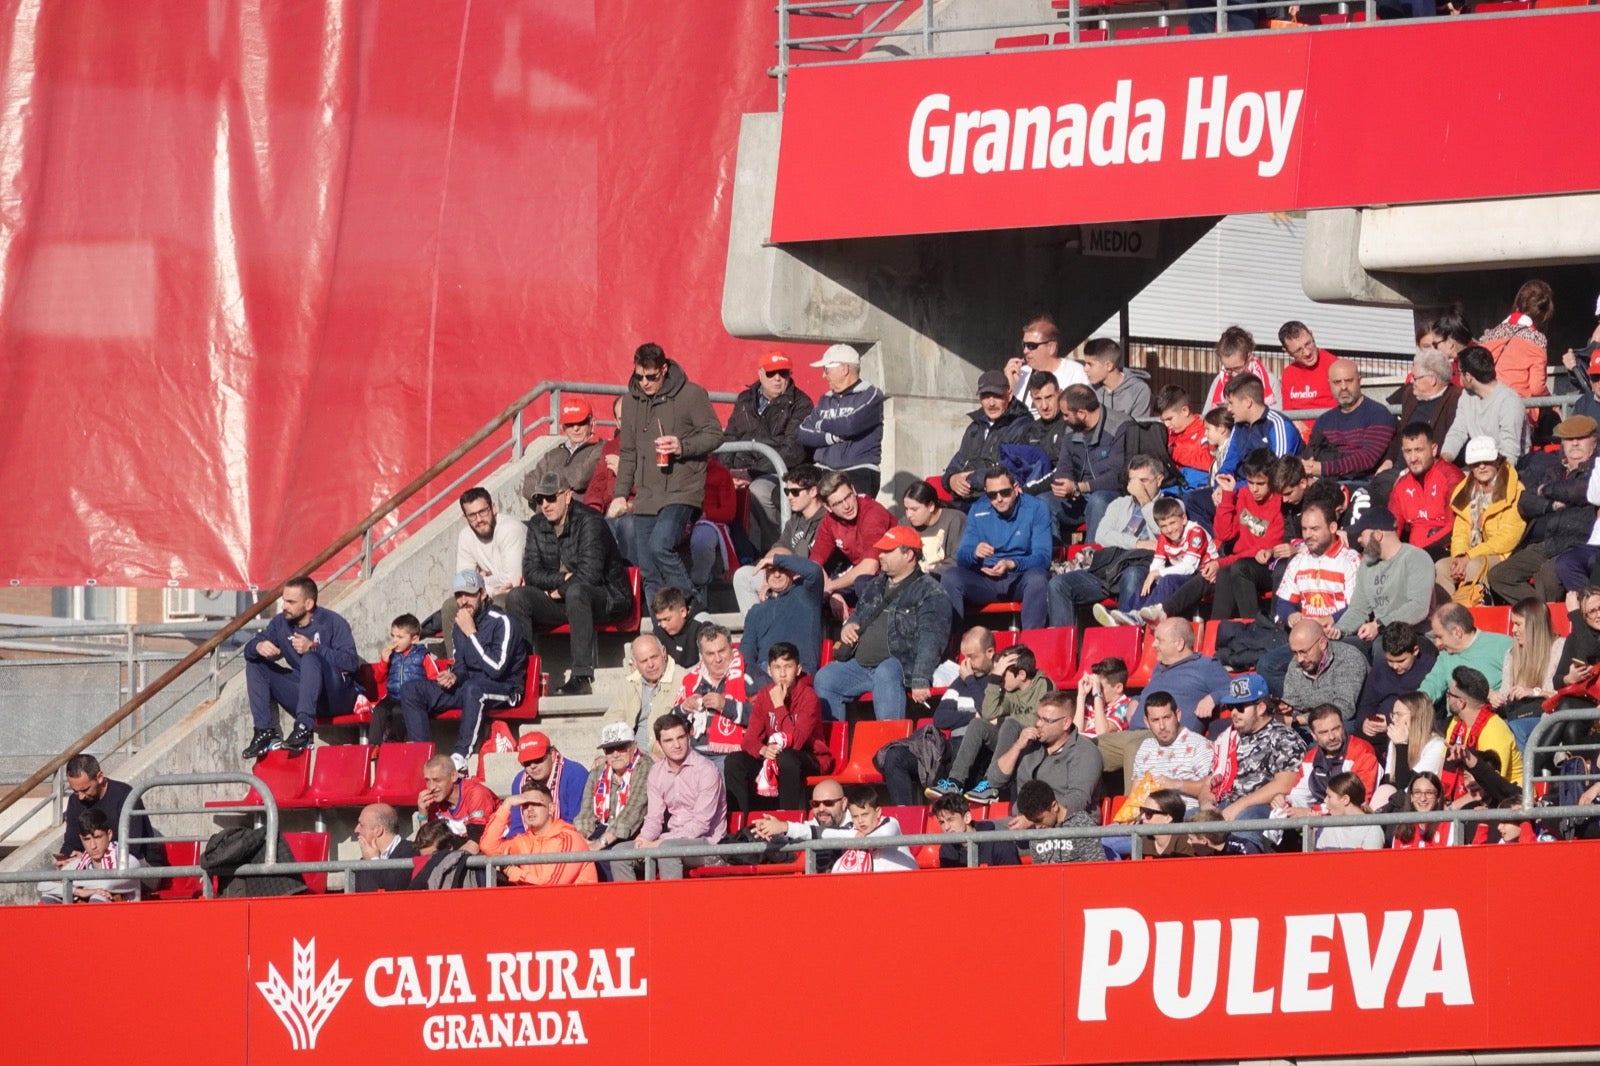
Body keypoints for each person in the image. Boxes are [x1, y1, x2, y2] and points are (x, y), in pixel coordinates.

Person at [608, 342, 725, 611]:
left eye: (651, 376)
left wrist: (682, 446)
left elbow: (715, 434)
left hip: (682, 488)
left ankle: (693, 608)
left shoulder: (691, 394)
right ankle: (664, 628)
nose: (645, 383)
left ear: (664, 369)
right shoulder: (631, 402)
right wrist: (620, 494)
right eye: (640, 376)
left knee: (661, 545)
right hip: (647, 492)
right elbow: (627, 452)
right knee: (648, 568)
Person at [505, 471, 633, 696]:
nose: (545, 504)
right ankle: (524, 677)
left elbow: (590, 574)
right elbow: (532, 572)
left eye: (551, 497)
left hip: (608, 597)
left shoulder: (591, 521)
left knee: (577, 591)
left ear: (568, 496)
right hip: (564, 598)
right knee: (517, 597)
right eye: (539, 499)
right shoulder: (536, 525)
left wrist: (559, 590)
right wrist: (560, 581)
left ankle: (581, 676)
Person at [813, 526, 951, 722]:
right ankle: (832, 747)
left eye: (888, 551)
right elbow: (859, 614)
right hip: (861, 665)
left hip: (899, 667)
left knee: (887, 671)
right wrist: (849, 625)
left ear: (909, 555)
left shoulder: (930, 592)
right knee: (826, 678)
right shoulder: (876, 584)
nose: (880, 555)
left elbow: (932, 639)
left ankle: (890, 746)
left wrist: (921, 678)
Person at [400, 570, 531, 772]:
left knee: (474, 689)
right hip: (470, 687)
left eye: (469, 594)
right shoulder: (458, 626)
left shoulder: (503, 622)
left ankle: (460, 757)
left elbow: (497, 669)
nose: (463, 601)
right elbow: (461, 665)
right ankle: (423, 759)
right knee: (411, 690)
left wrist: (472, 634)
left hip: (505, 688)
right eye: (459, 596)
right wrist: (454, 675)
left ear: (483, 594)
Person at [241, 576, 362, 758]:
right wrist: (258, 646)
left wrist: (314, 647)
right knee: (255, 663)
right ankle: (264, 732)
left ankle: (304, 728)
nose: (284, 606)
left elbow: (351, 663)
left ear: (308, 604)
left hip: (337, 696)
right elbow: (249, 650)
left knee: (310, 658)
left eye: (290, 602)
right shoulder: (281, 623)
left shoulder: (333, 622)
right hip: (306, 693)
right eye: (284, 600)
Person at [879, 626, 997, 805]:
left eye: (973, 657)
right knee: (894, 756)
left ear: (990, 652)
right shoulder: (960, 682)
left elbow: (988, 711)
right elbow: (940, 718)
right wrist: (973, 716)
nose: (967, 663)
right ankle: (905, 818)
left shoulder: (997, 681)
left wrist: (971, 682)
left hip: (981, 753)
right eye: (965, 656)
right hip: (951, 750)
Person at [1488, 415, 1598, 605]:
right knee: (1499, 575)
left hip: (1577, 541)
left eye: (1581, 438)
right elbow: (1524, 501)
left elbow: (1580, 490)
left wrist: (1547, 490)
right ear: (1562, 443)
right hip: (1547, 540)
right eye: (1569, 439)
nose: (1575, 444)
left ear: (1594, 442)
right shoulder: (1553, 469)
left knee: (1547, 575)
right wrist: (1551, 504)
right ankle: (1541, 617)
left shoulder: (1595, 468)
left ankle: (1542, 623)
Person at [1047, 453, 1164, 625]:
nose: (1137, 487)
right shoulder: (1119, 504)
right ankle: (1061, 645)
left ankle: (1124, 635)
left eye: (1143, 481)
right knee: (1058, 584)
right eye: (1132, 481)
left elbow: (1162, 533)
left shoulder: (1170, 505)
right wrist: (1139, 543)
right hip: (1110, 566)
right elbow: (1102, 536)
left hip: (1141, 567)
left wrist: (1145, 501)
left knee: (1132, 575)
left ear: (1159, 480)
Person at [927, 644, 1054, 801]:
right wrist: (994, 678)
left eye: (1003, 675)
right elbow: (988, 714)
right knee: (977, 725)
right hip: (1010, 743)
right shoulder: (1009, 690)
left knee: (1009, 724)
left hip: (1033, 746)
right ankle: (955, 782)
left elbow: (1037, 721)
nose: (1000, 679)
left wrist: (1002, 720)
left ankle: (990, 784)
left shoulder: (1044, 685)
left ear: (1021, 674)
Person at [722, 348, 815, 552]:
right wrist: (725, 472)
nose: (778, 379)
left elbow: (793, 450)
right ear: (760, 373)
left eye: (784, 373)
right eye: (772, 373)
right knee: (713, 485)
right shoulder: (745, 399)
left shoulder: (801, 404)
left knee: (759, 491)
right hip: (740, 468)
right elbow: (730, 436)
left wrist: (752, 473)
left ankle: (774, 550)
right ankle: (734, 554)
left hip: (777, 470)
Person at [724, 642, 832, 812]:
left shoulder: (808, 696)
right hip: (775, 756)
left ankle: (788, 820)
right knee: (734, 761)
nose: (782, 674)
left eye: (788, 667)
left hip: (810, 757)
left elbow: (796, 742)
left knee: (786, 758)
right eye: (777, 667)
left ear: (798, 669)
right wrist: (762, 750)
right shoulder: (764, 695)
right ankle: (741, 824)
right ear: (769, 670)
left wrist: (779, 706)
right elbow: (749, 740)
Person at [943, 467, 1052, 630]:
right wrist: (975, 553)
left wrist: (1012, 563)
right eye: (992, 495)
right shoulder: (978, 509)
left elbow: (1043, 557)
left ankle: (1032, 645)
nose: (999, 499)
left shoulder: (1037, 508)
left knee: (1038, 579)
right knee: (950, 577)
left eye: (1005, 493)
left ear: (1015, 489)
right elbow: (962, 557)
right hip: (986, 579)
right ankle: (954, 645)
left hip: (1019, 578)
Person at [1204, 674, 1307, 845]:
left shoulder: (1284, 737)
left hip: (1262, 808)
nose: (1234, 713)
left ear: (1260, 708)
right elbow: (1210, 781)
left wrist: (1239, 806)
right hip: (1224, 803)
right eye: (1231, 707)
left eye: (1240, 707)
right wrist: (1207, 803)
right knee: (1188, 820)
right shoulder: (1227, 737)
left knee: (1246, 823)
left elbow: (1285, 784)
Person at [626, 712, 727, 880]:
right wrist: (643, 839)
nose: (677, 745)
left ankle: (671, 905)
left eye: (680, 737)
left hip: (707, 843)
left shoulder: (706, 770)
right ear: (659, 745)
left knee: (668, 851)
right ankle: (632, 905)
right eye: (668, 740)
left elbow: (700, 825)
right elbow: (653, 819)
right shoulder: (656, 772)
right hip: (671, 840)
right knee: (619, 854)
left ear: (688, 737)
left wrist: (658, 843)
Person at [1334, 509, 1436, 659]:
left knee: (1382, 648)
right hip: (1379, 634)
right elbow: (1358, 609)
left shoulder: (1416, 558)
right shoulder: (1367, 565)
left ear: (1378, 535)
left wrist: (1379, 625)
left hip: (1415, 636)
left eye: (1362, 534)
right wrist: (1338, 630)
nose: (1359, 540)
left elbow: (1418, 607)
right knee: (1338, 648)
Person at [1097, 496, 1214, 625]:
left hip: (1204, 578)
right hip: (1183, 576)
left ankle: (1139, 618)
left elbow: (1189, 567)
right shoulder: (1164, 537)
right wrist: (1152, 576)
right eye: (1163, 526)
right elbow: (1157, 563)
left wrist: (1157, 573)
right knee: (1148, 582)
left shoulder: (1196, 532)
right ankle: (1124, 615)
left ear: (1184, 519)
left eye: (1172, 523)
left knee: (1167, 579)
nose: (1169, 529)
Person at [1435, 436, 1525, 601]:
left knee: (1474, 566)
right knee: (1441, 567)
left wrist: (1469, 556)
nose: (1482, 466)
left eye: (1487, 461)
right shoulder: (1465, 492)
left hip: (1504, 555)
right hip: (1471, 554)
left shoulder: (1515, 490)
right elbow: (1461, 532)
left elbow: (1507, 539)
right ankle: (1447, 617)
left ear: (1497, 461)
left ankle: (1477, 616)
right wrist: (1459, 556)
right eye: (1476, 463)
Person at [440, 486, 527, 657]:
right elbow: (464, 582)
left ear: (493, 508)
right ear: (465, 517)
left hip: (522, 593)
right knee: (451, 606)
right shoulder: (466, 536)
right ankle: (457, 666)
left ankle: (498, 664)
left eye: (483, 512)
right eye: (472, 515)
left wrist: (483, 581)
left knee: (502, 601)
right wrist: (489, 587)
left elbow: (513, 579)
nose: (479, 519)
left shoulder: (509, 529)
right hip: (492, 592)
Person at [987, 690, 1103, 815]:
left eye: (1046, 720)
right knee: (981, 830)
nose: (1038, 724)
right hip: (1022, 821)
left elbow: (1077, 801)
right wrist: (1017, 746)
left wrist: (1034, 816)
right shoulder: (1029, 745)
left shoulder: (1084, 752)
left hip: (1063, 824)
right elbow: (995, 780)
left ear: (1066, 723)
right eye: (1038, 717)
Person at [731, 463, 826, 613]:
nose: (789, 497)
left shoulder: (827, 519)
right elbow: (778, 548)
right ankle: (757, 628)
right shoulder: (795, 521)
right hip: (790, 577)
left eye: (795, 492)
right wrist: (766, 579)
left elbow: (817, 568)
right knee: (743, 576)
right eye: (787, 491)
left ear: (813, 491)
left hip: (814, 582)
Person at [797, 343, 885, 496]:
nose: (823, 375)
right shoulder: (825, 399)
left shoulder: (871, 395)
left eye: (826, 370)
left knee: (843, 508)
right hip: (822, 470)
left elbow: (851, 425)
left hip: (858, 471)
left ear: (844, 369)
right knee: (788, 494)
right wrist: (832, 437)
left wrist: (820, 424)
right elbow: (803, 432)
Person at [940, 369, 1033, 508]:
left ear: (1009, 395)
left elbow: (1015, 471)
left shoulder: (1023, 426)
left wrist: (972, 479)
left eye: (996, 396)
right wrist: (951, 479)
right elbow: (959, 461)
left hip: (997, 500)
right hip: (966, 500)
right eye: (985, 396)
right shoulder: (975, 427)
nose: (991, 403)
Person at [1052, 384, 1133, 540]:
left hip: (1113, 495)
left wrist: (1081, 487)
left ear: (1082, 413)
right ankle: (1056, 556)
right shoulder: (1071, 428)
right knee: (1043, 503)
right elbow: (1063, 466)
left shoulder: (1120, 427)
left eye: (1066, 414)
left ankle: (1092, 557)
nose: (1064, 419)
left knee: (1097, 501)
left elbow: (1119, 475)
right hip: (1078, 496)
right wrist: (1064, 487)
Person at [480, 782, 597, 887]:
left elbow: (551, 888)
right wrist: (507, 804)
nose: (530, 809)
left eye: (536, 804)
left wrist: (511, 870)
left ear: (551, 808)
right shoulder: (524, 840)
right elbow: (488, 846)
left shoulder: (570, 839)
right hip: (538, 906)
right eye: (525, 805)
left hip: (575, 907)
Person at [572, 722, 654, 870]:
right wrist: (583, 838)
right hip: (602, 829)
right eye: (610, 750)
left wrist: (600, 843)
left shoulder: (645, 766)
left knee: (608, 857)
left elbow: (633, 812)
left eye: (621, 747)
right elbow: (586, 812)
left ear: (633, 747)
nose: (615, 754)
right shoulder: (598, 772)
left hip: (633, 834)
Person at [1299, 360, 1396, 482]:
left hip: (1363, 484)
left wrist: (1323, 468)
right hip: (1325, 484)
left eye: (1349, 381)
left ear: (1359, 381)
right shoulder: (1323, 421)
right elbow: (1310, 455)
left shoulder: (1378, 415)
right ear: (1329, 384)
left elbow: (1367, 460)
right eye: (1337, 382)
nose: (1343, 387)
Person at [739, 552, 824, 688]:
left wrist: (776, 559)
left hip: (798, 670)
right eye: (771, 569)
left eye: (782, 568)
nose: (777, 574)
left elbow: (814, 571)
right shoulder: (756, 611)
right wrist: (749, 674)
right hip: (764, 673)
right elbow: (747, 648)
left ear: (792, 570)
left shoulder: (807, 595)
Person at [1278, 704, 1380, 815]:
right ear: (1314, 735)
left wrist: (1312, 812)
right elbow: (1300, 794)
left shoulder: (1361, 751)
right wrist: (1286, 802)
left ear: (1343, 726)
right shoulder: (1310, 758)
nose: (1331, 737)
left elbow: (1357, 802)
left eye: (1336, 729)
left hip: (1353, 822)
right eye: (1324, 732)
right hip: (1320, 818)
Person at [809, 469, 895, 600]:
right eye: (838, 503)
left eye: (848, 497)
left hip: (888, 575)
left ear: (854, 490)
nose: (847, 506)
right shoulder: (829, 520)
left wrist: (831, 587)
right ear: (828, 507)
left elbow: (870, 567)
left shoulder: (872, 513)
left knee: (863, 584)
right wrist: (832, 592)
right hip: (858, 575)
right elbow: (815, 562)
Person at [58, 754, 159, 865]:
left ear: (100, 777)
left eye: (85, 789)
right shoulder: (75, 800)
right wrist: (65, 858)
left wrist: (87, 859)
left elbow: (133, 847)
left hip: (138, 864)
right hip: (94, 864)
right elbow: (72, 841)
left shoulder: (125, 796)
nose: (80, 797)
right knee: (48, 881)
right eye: (75, 791)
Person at [1376, 349, 1462, 480]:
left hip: (1425, 473)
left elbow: (1444, 445)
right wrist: (1388, 460)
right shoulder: (1410, 395)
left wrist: (1408, 474)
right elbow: (1401, 434)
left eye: (1415, 377)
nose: (1411, 381)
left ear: (1432, 380)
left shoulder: (1455, 400)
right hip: (1397, 469)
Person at [1442, 667, 1524, 797]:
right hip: (1465, 799)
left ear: (1461, 702)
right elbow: (1443, 766)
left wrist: (1450, 809)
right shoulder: (1456, 723)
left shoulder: (1494, 731)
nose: (1447, 698)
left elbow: (1491, 785)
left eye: (1449, 694)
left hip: (1507, 801)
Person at [1440, 345, 1527, 467]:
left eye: (1459, 372)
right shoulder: (1466, 396)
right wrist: (1443, 462)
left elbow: (1510, 452)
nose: (1458, 376)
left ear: (1469, 377)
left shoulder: (1509, 402)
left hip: (1509, 469)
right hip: (1478, 465)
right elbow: (1458, 431)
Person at [1493, 598, 1565, 745]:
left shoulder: (1559, 647)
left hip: (1547, 716)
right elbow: (1506, 692)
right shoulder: (1512, 654)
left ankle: (1523, 769)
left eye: (1518, 624)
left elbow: (1563, 696)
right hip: (1517, 715)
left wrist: (1533, 691)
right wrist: (1494, 698)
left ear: (1534, 625)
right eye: (1513, 624)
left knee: (1514, 730)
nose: (1513, 630)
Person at [1387, 422, 1464, 559]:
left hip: (1446, 551)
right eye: (1408, 451)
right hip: (1413, 556)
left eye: (1419, 450)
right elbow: (1391, 528)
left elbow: (1455, 527)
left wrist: (1417, 553)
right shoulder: (1401, 485)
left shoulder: (1452, 478)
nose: (1413, 458)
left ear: (1433, 449)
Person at [673, 624, 752, 757]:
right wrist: (684, 708)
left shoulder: (749, 676)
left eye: (722, 651)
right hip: (692, 754)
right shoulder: (692, 680)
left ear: (731, 648)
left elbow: (766, 717)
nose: (717, 659)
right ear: (701, 656)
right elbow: (671, 721)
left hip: (732, 756)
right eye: (710, 654)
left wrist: (725, 706)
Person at [1129, 692, 1214, 811]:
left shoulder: (1199, 745)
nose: (1162, 726)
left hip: (1184, 818)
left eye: (1166, 718)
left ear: (1178, 715)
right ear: (1146, 722)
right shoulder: (1146, 747)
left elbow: (1211, 788)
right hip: (1147, 819)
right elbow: (1135, 796)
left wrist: (1176, 784)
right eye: (1155, 720)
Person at [1478, 279, 1553, 412]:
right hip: (1517, 410)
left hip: (1487, 409)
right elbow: (1537, 388)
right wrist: (1552, 402)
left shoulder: (1489, 336)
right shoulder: (1536, 340)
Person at [747, 778, 851, 874]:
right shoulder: (814, 824)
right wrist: (773, 833)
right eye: (815, 804)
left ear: (844, 803)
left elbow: (818, 832)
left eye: (828, 803)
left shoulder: (860, 822)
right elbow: (803, 831)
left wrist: (786, 827)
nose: (821, 809)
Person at [601, 634, 685, 752]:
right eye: (644, 661)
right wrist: (602, 754)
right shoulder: (630, 683)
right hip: (630, 756)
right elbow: (612, 719)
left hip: (666, 756)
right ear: (635, 663)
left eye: (654, 657)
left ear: (664, 652)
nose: (650, 665)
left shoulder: (683, 679)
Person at [41, 807, 143, 903]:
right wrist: (79, 891)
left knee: (98, 897)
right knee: (48, 898)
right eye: (87, 839)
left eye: (98, 837)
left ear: (109, 835)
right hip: (83, 917)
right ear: (81, 839)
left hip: (123, 918)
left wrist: (66, 882)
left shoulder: (129, 862)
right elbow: (42, 885)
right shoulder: (78, 864)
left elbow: (107, 883)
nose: (93, 846)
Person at [367, 614, 441, 745]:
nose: (394, 641)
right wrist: (384, 662)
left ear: (414, 639)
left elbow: (434, 678)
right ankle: (373, 745)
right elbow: (379, 678)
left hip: (412, 699)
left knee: (399, 711)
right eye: (393, 636)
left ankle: (393, 741)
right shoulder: (392, 656)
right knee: (379, 711)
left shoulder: (422, 655)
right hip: (392, 696)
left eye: (400, 637)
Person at [1420, 604, 1514, 702]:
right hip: (1455, 715)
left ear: (1457, 632)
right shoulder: (1445, 655)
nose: (1437, 643)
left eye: (1440, 637)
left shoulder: (1502, 645)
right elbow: (1432, 685)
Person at [816, 784, 917, 874]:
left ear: (878, 812)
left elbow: (879, 838)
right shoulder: (853, 830)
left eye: (865, 815)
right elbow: (829, 834)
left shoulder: (890, 823)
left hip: (905, 882)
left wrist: (856, 839)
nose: (860, 821)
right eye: (855, 816)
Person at [1282, 619, 1370, 723]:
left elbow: (1344, 710)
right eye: (1295, 653)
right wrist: (1286, 710)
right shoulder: (1296, 664)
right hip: (1308, 723)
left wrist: (1298, 720)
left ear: (1322, 643)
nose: (1299, 659)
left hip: (1345, 724)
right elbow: (1292, 702)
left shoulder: (1348, 657)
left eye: (1303, 652)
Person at [1354, 622, 1438, 725]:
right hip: (1378, 731)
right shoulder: (1380, 668)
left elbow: (1431, 711)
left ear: (1415, 651)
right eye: (1390, 660)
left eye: (1401, 661)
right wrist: (1365, 722)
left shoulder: (1431, 669)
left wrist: (1392, 723)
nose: (1395, 666)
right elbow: (1366, 704)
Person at [523, 398, 605, 501]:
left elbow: (580, 479)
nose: (576, 428)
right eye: (570, 424)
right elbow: (528, 485)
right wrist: (549, 494)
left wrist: (549, 482)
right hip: (545, 515)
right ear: (563, 427)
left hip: (579, 513)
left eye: (581, 422)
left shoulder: (601, 448)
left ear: (592, 423)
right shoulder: (552, 454)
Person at [1007, 313, 1089, 414]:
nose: (1025, 351)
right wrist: (1009, 385)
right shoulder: (1021, 373)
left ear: (1051, 348)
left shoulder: (1075, 373)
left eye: (1031, 346)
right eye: (1024, 345)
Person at [505, 730, 587, 829]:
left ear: (552, 754)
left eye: (538, 759)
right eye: (526, 762)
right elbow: (517, 826)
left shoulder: (575, 774)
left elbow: (576, 823)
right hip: (530, 841)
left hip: (566, 837)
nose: (533, 766)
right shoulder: (519, 781)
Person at [416, 754, 500, 851]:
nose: (431, 788)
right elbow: (427, 848)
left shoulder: (476, 794)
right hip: (461, 855)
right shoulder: (434, 800)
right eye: (427, 780)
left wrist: (445, 863)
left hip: (493, 856)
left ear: (453, 776)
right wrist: (423, 816)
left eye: (437, 780)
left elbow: (474, 845)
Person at [1015, 778, 1103, 863]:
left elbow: (1097, 866)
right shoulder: (1036, 833)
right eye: (1033, 821)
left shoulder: (1081, 824)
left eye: (1040, 820)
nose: (1037, 827)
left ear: (1054, 806)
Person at [1379, 691, 1447, 797]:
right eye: (1393, 714)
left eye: (1399, 715)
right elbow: (1390, 782)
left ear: (1417, 717)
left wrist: (1402, 745)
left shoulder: (1437, 745)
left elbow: (1408, 785)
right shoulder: (1395, 741)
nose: (1393, 719)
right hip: (1396, 801)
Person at [1202, 326, 1282, 411]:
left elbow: (1277, 416)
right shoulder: (1219, 381)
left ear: (1249, 357)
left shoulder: (1269, 382)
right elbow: (1207, 415)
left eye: (1237, 368)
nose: (1233, 374)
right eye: (1228, 369)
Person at [931, 793, 1021, 868]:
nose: (946, 827)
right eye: (942, 822)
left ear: (967, 818)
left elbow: (1014, 883)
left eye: (951, 820)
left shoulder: (1001, 845)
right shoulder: (946, 850)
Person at [901, 479, 966, 576]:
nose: (909, 514)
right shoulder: (904, 523)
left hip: (942, 579)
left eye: (914, 509)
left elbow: (958, 559)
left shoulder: (955, 520)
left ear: (931, 506)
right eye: (906, 509)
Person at [1156, 385, 1216, 488]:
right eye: (1163, 420)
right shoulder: (1167, 432)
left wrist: (1173, 453)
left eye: (1169, 419)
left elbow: (1210, 463)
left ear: (1185, 411)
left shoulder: (1206, 430)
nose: (1166, 424)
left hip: (1195, 488)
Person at [350, 804, 418, 893]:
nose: (356, 830)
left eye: (361, 825)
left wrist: (374, 862)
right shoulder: (366, 859)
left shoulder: (411, 853)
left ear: (378, 830)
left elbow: (395, 889)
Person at [1018, 373, 1071, 488]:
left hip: (1058, 489)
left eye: (1049, 397)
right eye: (1038, 399)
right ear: (1032, 399)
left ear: (1060, 394)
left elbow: (1065, 469)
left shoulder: (1070, 426)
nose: (1044, 406)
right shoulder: (1029, 430)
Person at [1082, 337, 1152, 419]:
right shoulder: (1089, 391)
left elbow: (1137, 429)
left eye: (1090, 364)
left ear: (1109, 366)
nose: (1085, 369)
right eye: (1085, 363)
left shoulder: (1139, 391)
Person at [1313, 773, 1385, 851]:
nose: (1325, 800)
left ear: (1345, 800)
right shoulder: (1324, 828)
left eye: (1329, 796)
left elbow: (1370, 862)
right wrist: (1312, 833)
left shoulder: (1372, 830)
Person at [1278, 321, 1336, 414]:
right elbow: (1288, 414)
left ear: (1312, 335)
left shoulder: (1334, 366)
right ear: (1287, 352)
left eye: (1308, 344)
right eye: (1298, 350)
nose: (1307, 353)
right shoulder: (1288, 374)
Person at [1074, 656, 1135, 740]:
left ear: (1118, 687)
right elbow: (1075, 733)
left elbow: (1102, 734)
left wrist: (1097, 695)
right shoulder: (1093, 704)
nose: (1095, 689)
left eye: (1100, 687)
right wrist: (1081, 696)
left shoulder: (1126, 705)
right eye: (1096, 685)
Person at [407, 820, 478, 891]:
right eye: (422, 857)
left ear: (449, 847)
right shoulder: (417, 871)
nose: (426, 863)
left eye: (433, 857)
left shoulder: (470, 873)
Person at [650, 587, 708, 670]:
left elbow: (711, 664)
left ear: (683, 612)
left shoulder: (703, 626)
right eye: (660, 620)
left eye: (667, 619)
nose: (663, 625)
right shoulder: (659, 630)